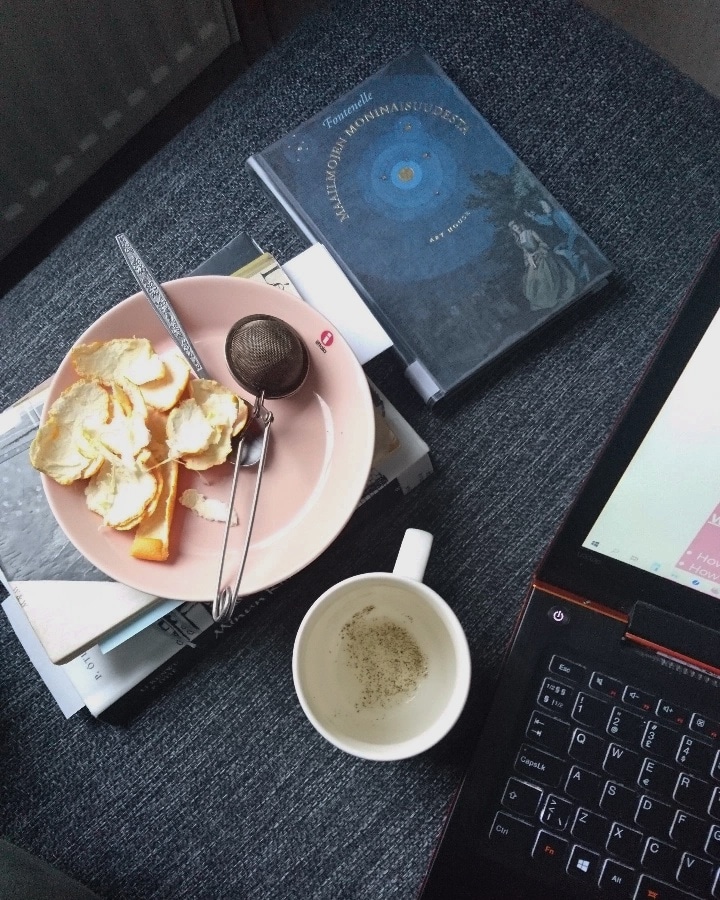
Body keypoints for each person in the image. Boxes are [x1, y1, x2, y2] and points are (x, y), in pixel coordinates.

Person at [508, 220, 576, 310]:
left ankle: (557, 295)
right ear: (514, 231)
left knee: (547, 276)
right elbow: (525, 251)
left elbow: (541, 242)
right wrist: (529, 258)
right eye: (515, 228)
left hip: (541, 255)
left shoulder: (530, 232)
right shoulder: (519, 240)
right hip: (532, 260)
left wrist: (539, 251)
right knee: (532, 282)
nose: (518, 229)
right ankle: (544, 300)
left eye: (518, 226)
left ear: (521, 225)